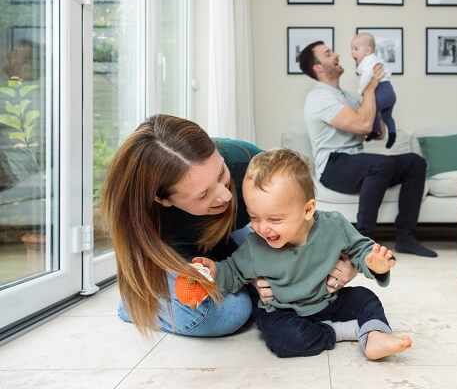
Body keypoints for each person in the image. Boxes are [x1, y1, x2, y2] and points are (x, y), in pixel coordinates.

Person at [101, 114, 358, 337]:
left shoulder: (246, 162)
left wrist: (347, 263)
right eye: (204, 195)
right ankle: (135, 305)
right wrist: (247, 278)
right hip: (179, 254)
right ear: (164, 199)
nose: (225, 196)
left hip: (231, 236)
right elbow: (146, 263)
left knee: (286, 283)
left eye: (221, 174)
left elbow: (307, 222)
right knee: (232, 312)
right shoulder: (143, 211)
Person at [196, 148, 412, 359]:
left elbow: (360, 249)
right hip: (282, 310)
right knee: (285, 339)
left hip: (328, 300)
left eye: (275, 219)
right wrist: (213, 271)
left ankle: (376, 334)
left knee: (365, 298)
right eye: (254, 217)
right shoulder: (255, 246)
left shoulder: (334, 225)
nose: (262, 228)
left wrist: (375, 264)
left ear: (308, 210)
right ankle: (342, 332)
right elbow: (232, 271)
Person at [300, 41, 437, 258]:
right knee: (379, 164)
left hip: (357, 162)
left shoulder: (348, 97)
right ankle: (363, 242)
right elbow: (363, 125)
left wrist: (378, 93)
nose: (337, 55)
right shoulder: (319, 96)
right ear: (318, 67)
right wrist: (371, 88)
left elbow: (377, 131)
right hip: (333, 166)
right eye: (328, 54)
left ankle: (406, 238)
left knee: (414, 162)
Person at [351, 32, 396, 148]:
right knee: (387, 116)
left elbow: (366, 75)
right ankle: (392, 134)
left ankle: (375, 131)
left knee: (372, 109)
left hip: (382, 90)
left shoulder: (368, 61)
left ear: (367, 50)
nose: (352, 52)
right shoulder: (376, 60)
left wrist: (361, 90)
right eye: (352, 49)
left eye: (356, 49)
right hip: (390, 92)